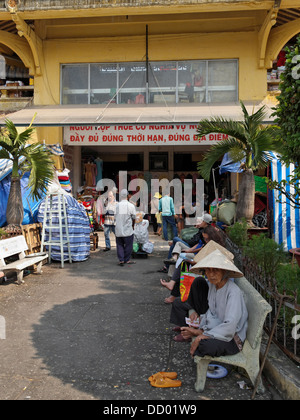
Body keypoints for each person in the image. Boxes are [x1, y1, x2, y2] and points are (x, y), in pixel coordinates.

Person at [180, 249, 248, 358]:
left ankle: (201, 336)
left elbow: (230, 326)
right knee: (202, 341)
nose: (211, 274)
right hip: (216, 328)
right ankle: (200, 334)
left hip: (231, 337)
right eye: (208, 270)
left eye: (216, 270)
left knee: (204, 345)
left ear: (224, 271)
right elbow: (210, 312)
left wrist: (202, 336)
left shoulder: (233, 292)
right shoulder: (213, 286)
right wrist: (202, 330)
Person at [160, 225, 224, 301]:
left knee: (183, 264)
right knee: (182, 263)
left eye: (207, 239)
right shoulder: (209, 244)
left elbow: (205, 263)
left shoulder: (214, 247)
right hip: (202, 265)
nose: (205, 240)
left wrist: (191, 261)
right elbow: (201, 252)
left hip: (207, 271)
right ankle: (172, 285)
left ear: (212, 236)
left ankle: (172, 286)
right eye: (204, 238)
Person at [115, 189, 136, 266]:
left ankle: (121, 260)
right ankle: (126, 259)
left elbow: (115, 216)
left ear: (121, 196)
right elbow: (134, 217)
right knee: (128, 245)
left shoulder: (117, 205)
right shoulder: (131, 206)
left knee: (119, 244)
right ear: (128, 196)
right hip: (127, 229)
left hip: (118, 229)